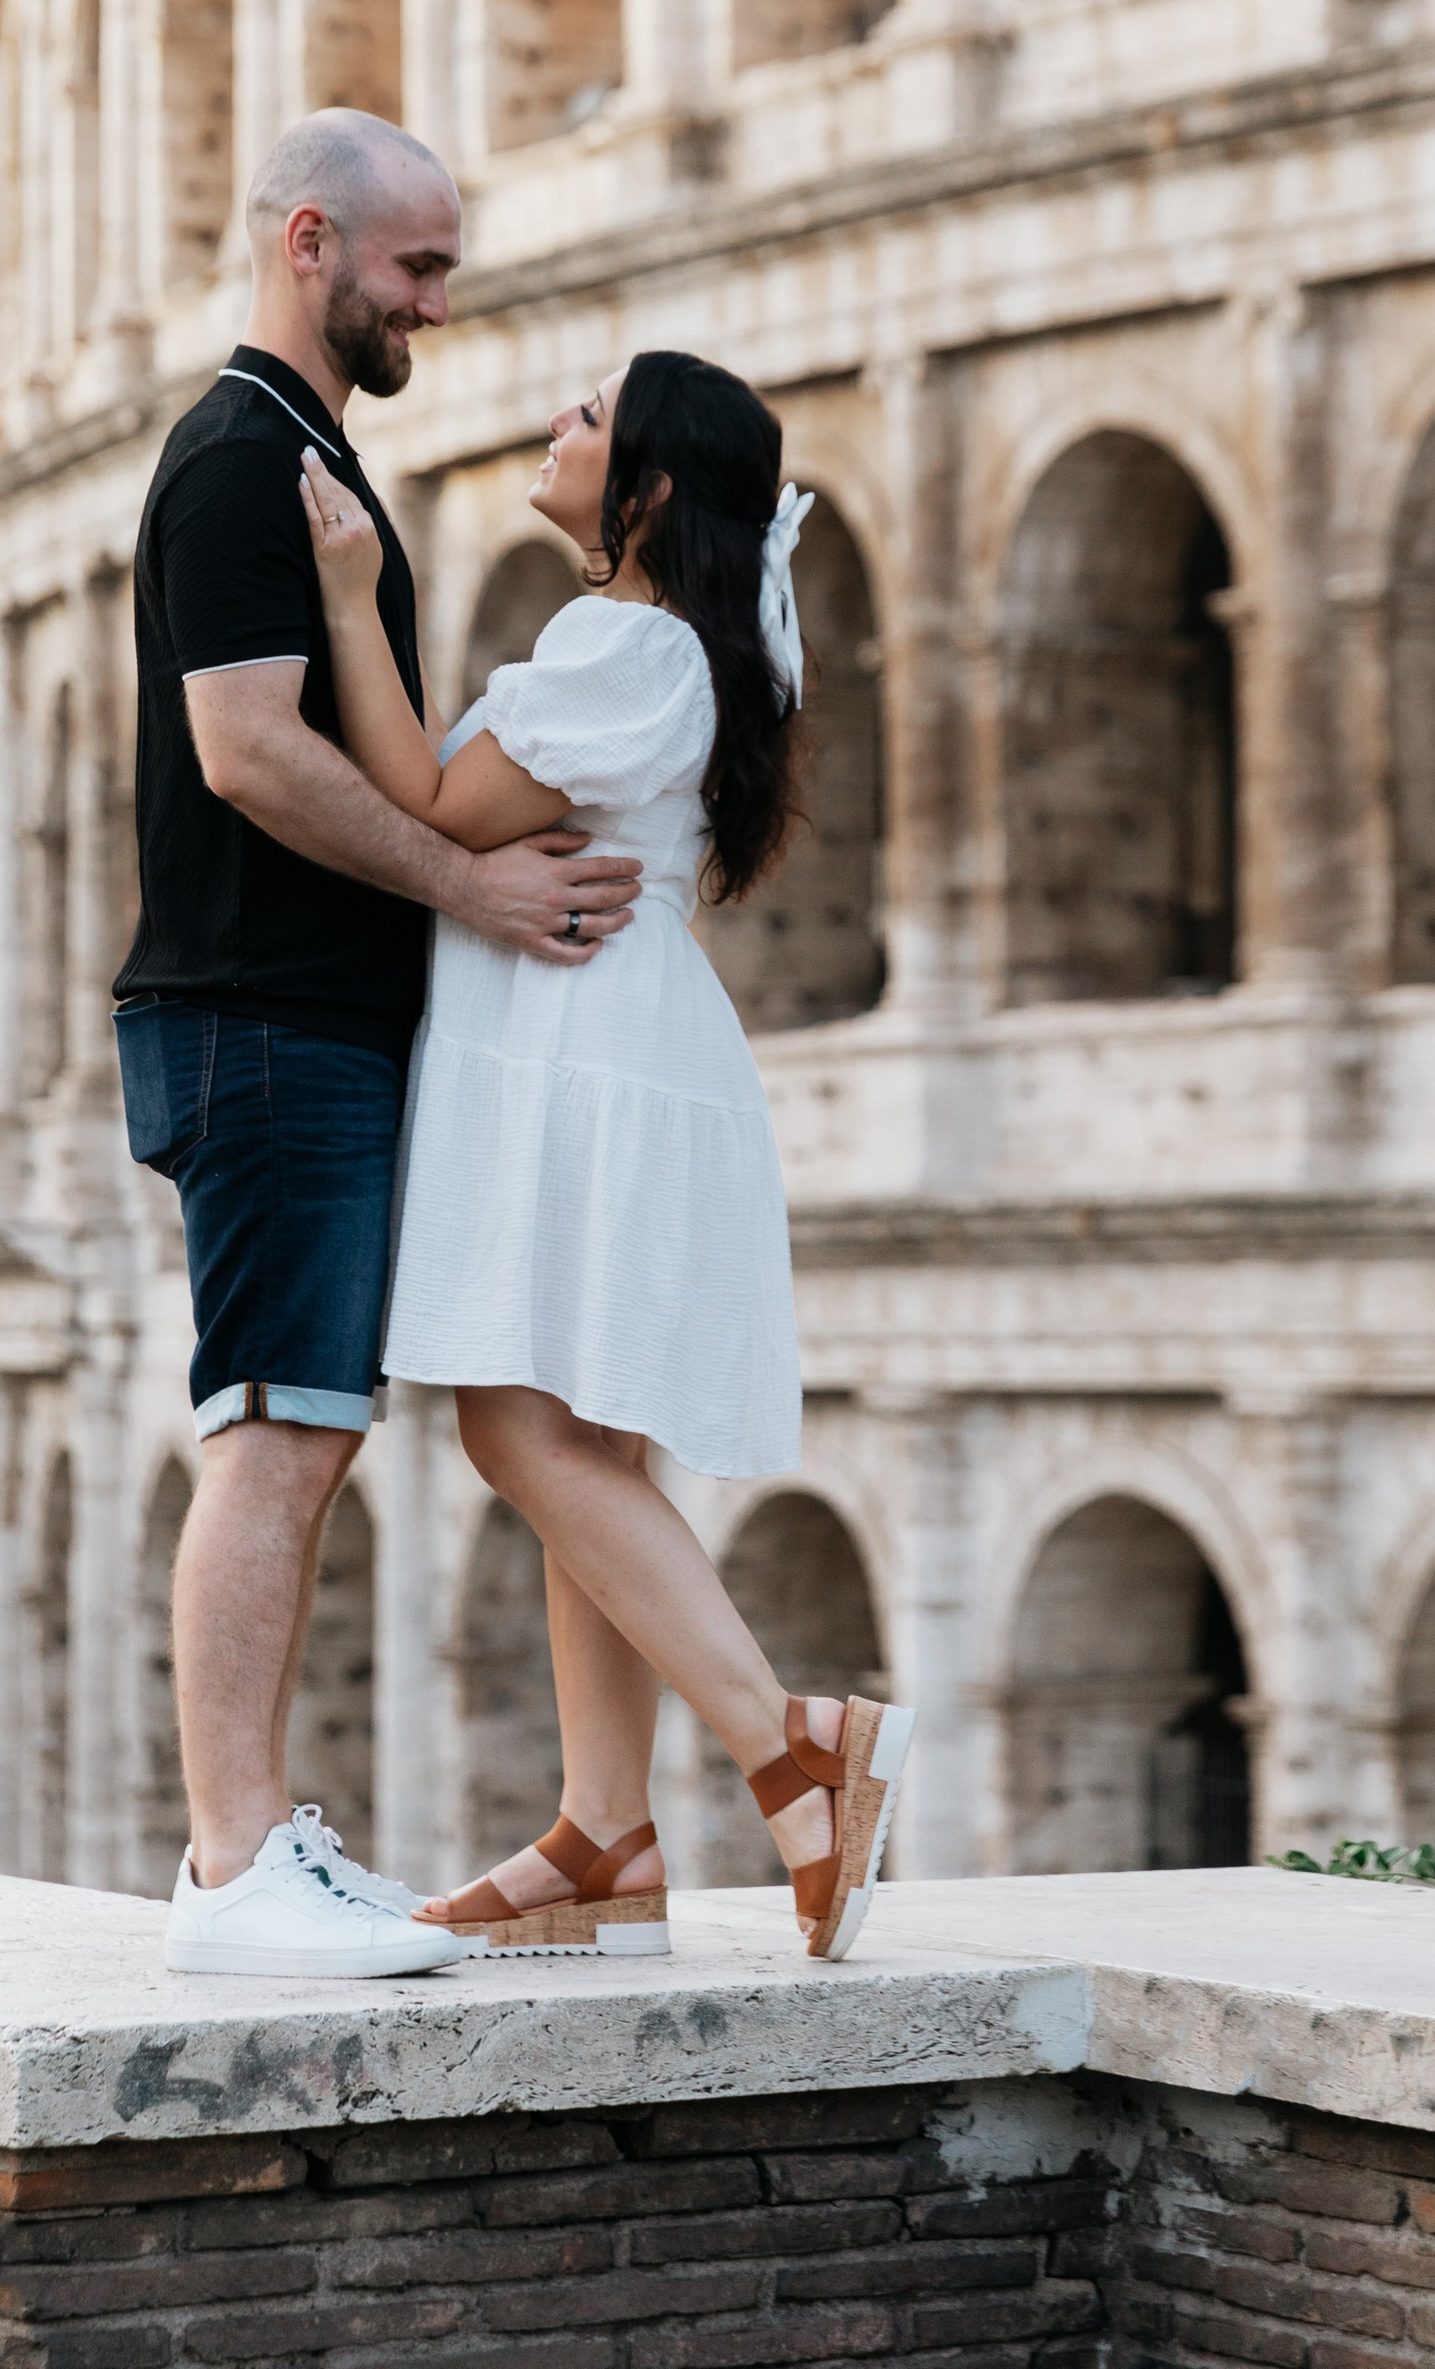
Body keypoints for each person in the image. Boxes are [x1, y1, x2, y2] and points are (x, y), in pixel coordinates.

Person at [299, 344, 914, 1964]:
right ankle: (605, 1836)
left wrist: (351, 603)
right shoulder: (679, 649)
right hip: (608, 1049)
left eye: (589, 420)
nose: (553, 429)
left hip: (576, 1058)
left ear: (641, 492)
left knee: (515, 1431)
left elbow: (430, 799)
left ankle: (795, 1749)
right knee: (586, 1444)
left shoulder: (621, 640)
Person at [114, 108, 644, 1980]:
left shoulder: (307, 455)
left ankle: (253, 1854)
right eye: (417, 269)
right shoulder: (244, 457)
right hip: (264, 1024)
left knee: (305, 1431)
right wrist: (467, 892)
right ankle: (237, 1865)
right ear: (312, 242)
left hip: (295, 1026)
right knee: (273, 1429)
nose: (438, 302)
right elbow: (248, 750)